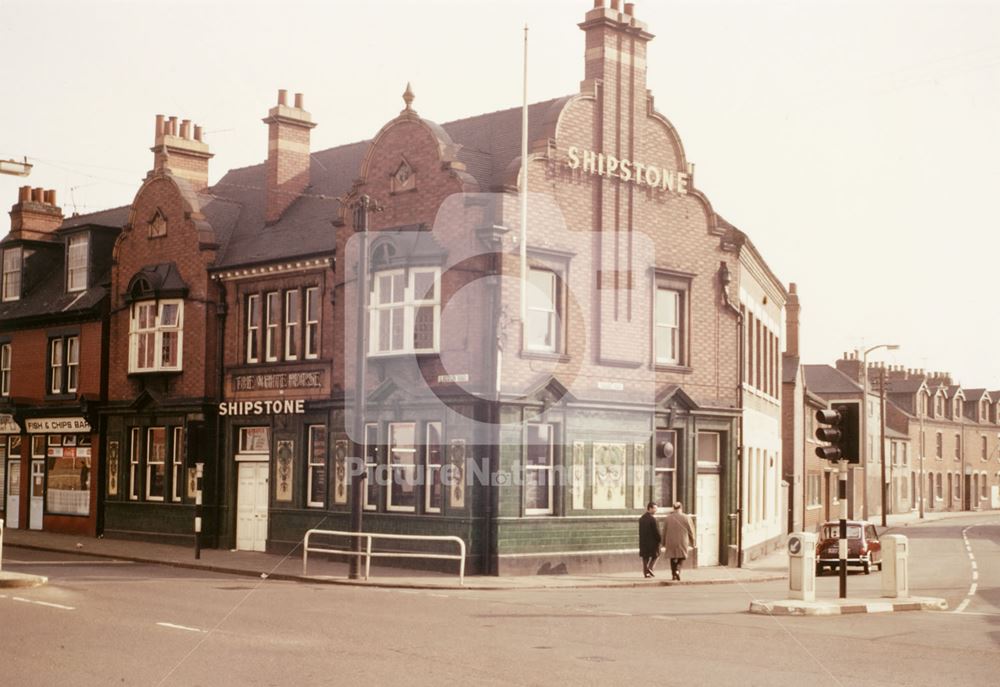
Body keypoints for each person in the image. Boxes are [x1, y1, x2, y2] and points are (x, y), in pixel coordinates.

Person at [662, 501, 696, 581]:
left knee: (672, 557)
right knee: (682, 556)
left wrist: (663, 542)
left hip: (670, 541)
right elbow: (691, 531)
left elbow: (664, 531)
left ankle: (673, 574)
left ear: (674, 508)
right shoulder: (686, 517)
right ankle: (677, 570)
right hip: (682, 541)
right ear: (681, 508)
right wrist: (693, 542)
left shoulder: (668, 518)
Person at [638, 501, 661, 578]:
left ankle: (646, 573)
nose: (656, 510)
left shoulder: (642, 518)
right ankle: (650, 568)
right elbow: (656, 531)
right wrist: (660, 539)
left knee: (645, 557)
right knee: (657, 554)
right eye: (654, 509)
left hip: (643, 541)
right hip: (653, 542)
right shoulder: (653, 519)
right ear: (650, 508)